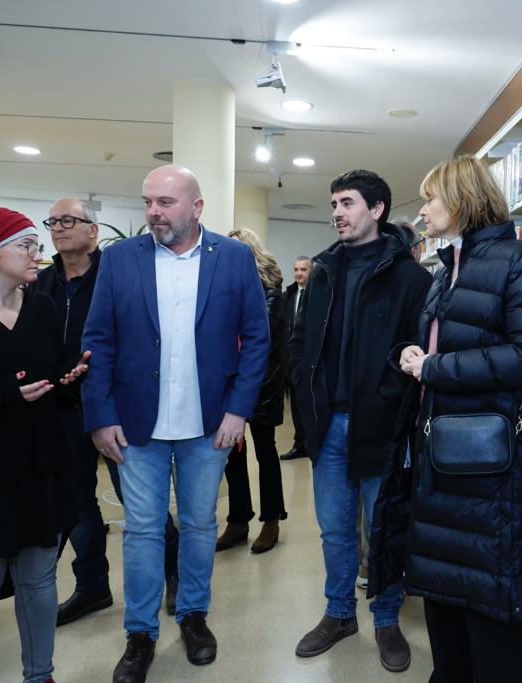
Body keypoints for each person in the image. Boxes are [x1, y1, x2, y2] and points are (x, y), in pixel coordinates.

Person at [377, 155, 522, 682]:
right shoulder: (445, 271)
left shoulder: (521, 262)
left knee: (490, 609)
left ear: (461, 200)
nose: (424, 209)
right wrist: (416, 356)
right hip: (441, 461)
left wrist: (435, 367)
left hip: (491, 471)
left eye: (431, 198)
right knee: (444, 601)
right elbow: (452, 347)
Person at [81, 164, 270, 682]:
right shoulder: (121, 259)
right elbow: (97, 339)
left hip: (209, 425)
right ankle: (139, 633)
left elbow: (256, 338)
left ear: (197, 207)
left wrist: (238, 410)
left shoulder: (232, 259)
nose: (153, 212)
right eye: (148, 202)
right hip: (135, 424)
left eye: (165, 202)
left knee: (199, 524)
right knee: (142, 530)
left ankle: (192, 616)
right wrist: (100, 416)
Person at [289, 169, 432, 673]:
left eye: (347, 202)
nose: (336, 213)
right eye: (333, 203)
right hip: (329, 424)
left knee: (384, 526)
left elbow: (420, 352)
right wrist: (306, 403)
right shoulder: (324, 271)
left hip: (383, 424)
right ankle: (339, 612)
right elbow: (301, 342)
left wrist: (392, 398)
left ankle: (387, 618)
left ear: (377, 209)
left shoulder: (413, 278)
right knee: (333, 529)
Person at [30, 198, 180, 626]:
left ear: (93, 230)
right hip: (61, 409)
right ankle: (92, 587)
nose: (59, 228)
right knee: (78, 506)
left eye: (69, 220)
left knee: (141, 503)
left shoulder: (119, 273)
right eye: (53, 221)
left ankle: (175, 575)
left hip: (115, 407)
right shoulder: (43, 284)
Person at [0, 207, 89, 683]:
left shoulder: (42, 309)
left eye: (38, 244)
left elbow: (52, 373)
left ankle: (40, 675)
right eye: (27, 245)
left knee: (39, 579)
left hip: (41, 462)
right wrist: (4, 395)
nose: (40, 254)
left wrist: (70, 378)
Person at [216, 228, 288, 553]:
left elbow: (264, 341)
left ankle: (271, 520)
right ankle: (238, 519)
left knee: (265, 450)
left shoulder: (271, 290)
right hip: (230, 383)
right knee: (232, 452)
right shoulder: (224, 287)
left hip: (263, 384)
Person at [280, 255, 311, 461]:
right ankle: (300, 445)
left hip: (309, 361)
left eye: (304, 270)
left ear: (311, 272)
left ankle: (312, 443)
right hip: (290, 360)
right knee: (296, 407)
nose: (299, 273)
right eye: (296, 269)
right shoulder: (288, 296)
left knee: (309, 404)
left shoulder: (318, 294)